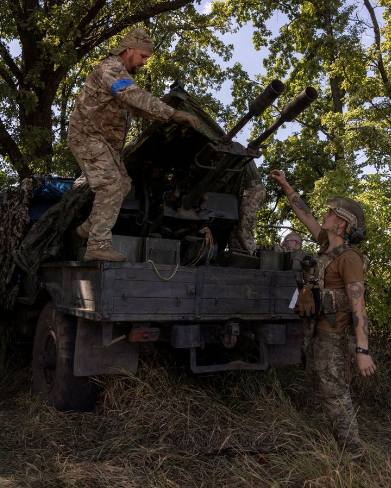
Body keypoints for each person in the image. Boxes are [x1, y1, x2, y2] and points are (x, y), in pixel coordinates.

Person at [68, 28, 200, 261]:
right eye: (143, 56)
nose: (144, 62)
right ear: (128, 50)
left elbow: (136, 106)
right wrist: (173, 113)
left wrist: (163, 107)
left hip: (102, 142)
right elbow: (132, 95)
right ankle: (97, 245)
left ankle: (89, 227)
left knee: (124, 185)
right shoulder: (111, 69)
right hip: (86, 136)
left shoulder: (121, 76)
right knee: (110, 185)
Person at [269, 169, 376, 455]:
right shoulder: (326, 246)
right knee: (318, 384)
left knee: (334, 392)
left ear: (341, 223)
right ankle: (336, 438)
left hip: (335, 336)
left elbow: (358, 305)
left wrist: (362, 350)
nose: (324, 216)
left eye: (330, 214)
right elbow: (304, 215)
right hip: (317, 331)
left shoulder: (349, 258)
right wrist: (286, 186)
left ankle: (354, 451)